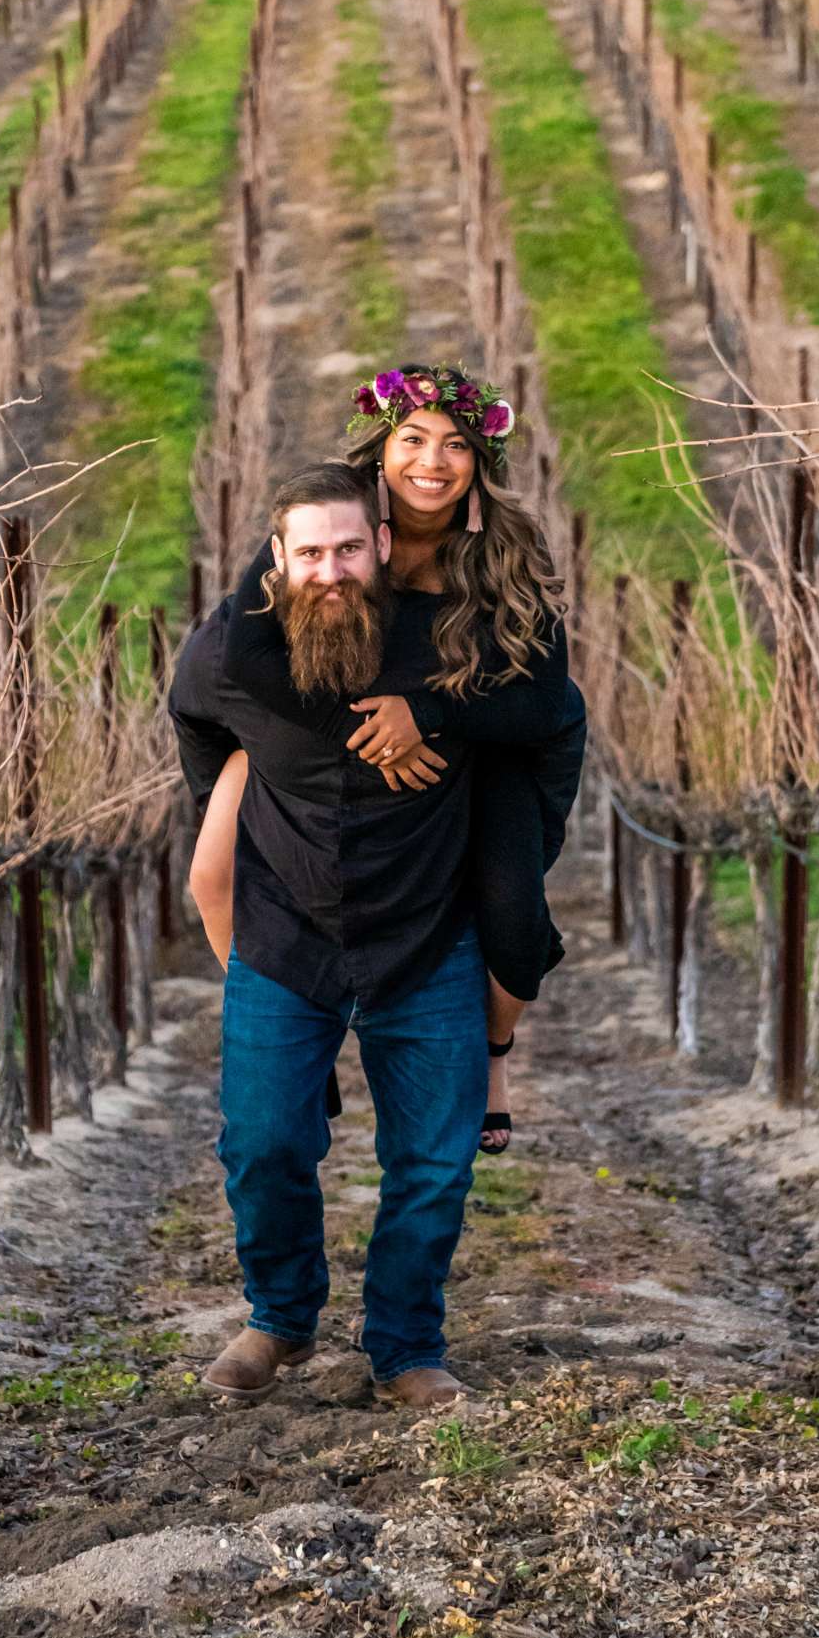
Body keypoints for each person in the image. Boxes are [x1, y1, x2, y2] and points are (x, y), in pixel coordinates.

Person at [190, 363, 585, 1154]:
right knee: (212, 875)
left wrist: (428, 715)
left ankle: (493, 1056)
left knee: (511, 912)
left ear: (480, 461)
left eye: (455, 445)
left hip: (478, 745)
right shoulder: (328, 522)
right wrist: (361, 731)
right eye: (413, 439)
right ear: (383, 446)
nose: (432, 462)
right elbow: (246, 657)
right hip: (291, 734)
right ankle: (298, 1047)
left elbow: (542, 698)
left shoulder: (502, 555)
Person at [170, 461, 492, 1411]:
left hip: (425, 932)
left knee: (433, 1161)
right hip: (283, 932)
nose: (332, 569)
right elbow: (192, 718)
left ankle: (405, 1346)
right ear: (278, 558)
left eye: (350, 548)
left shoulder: (448, 644)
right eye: (309, 552)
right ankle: (279, 1318)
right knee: (263, 1141)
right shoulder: (234, 651)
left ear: (383, 545)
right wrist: (223, 793)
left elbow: (536, 715)